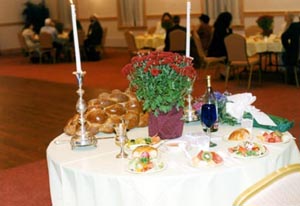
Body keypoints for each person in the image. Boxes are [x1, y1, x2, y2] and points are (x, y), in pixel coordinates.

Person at [281, 20, 300, 85]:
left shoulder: (295, 26)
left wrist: (289, 49)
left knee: (284, 55)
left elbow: (284, 37)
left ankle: (291, 77)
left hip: (296, 57)